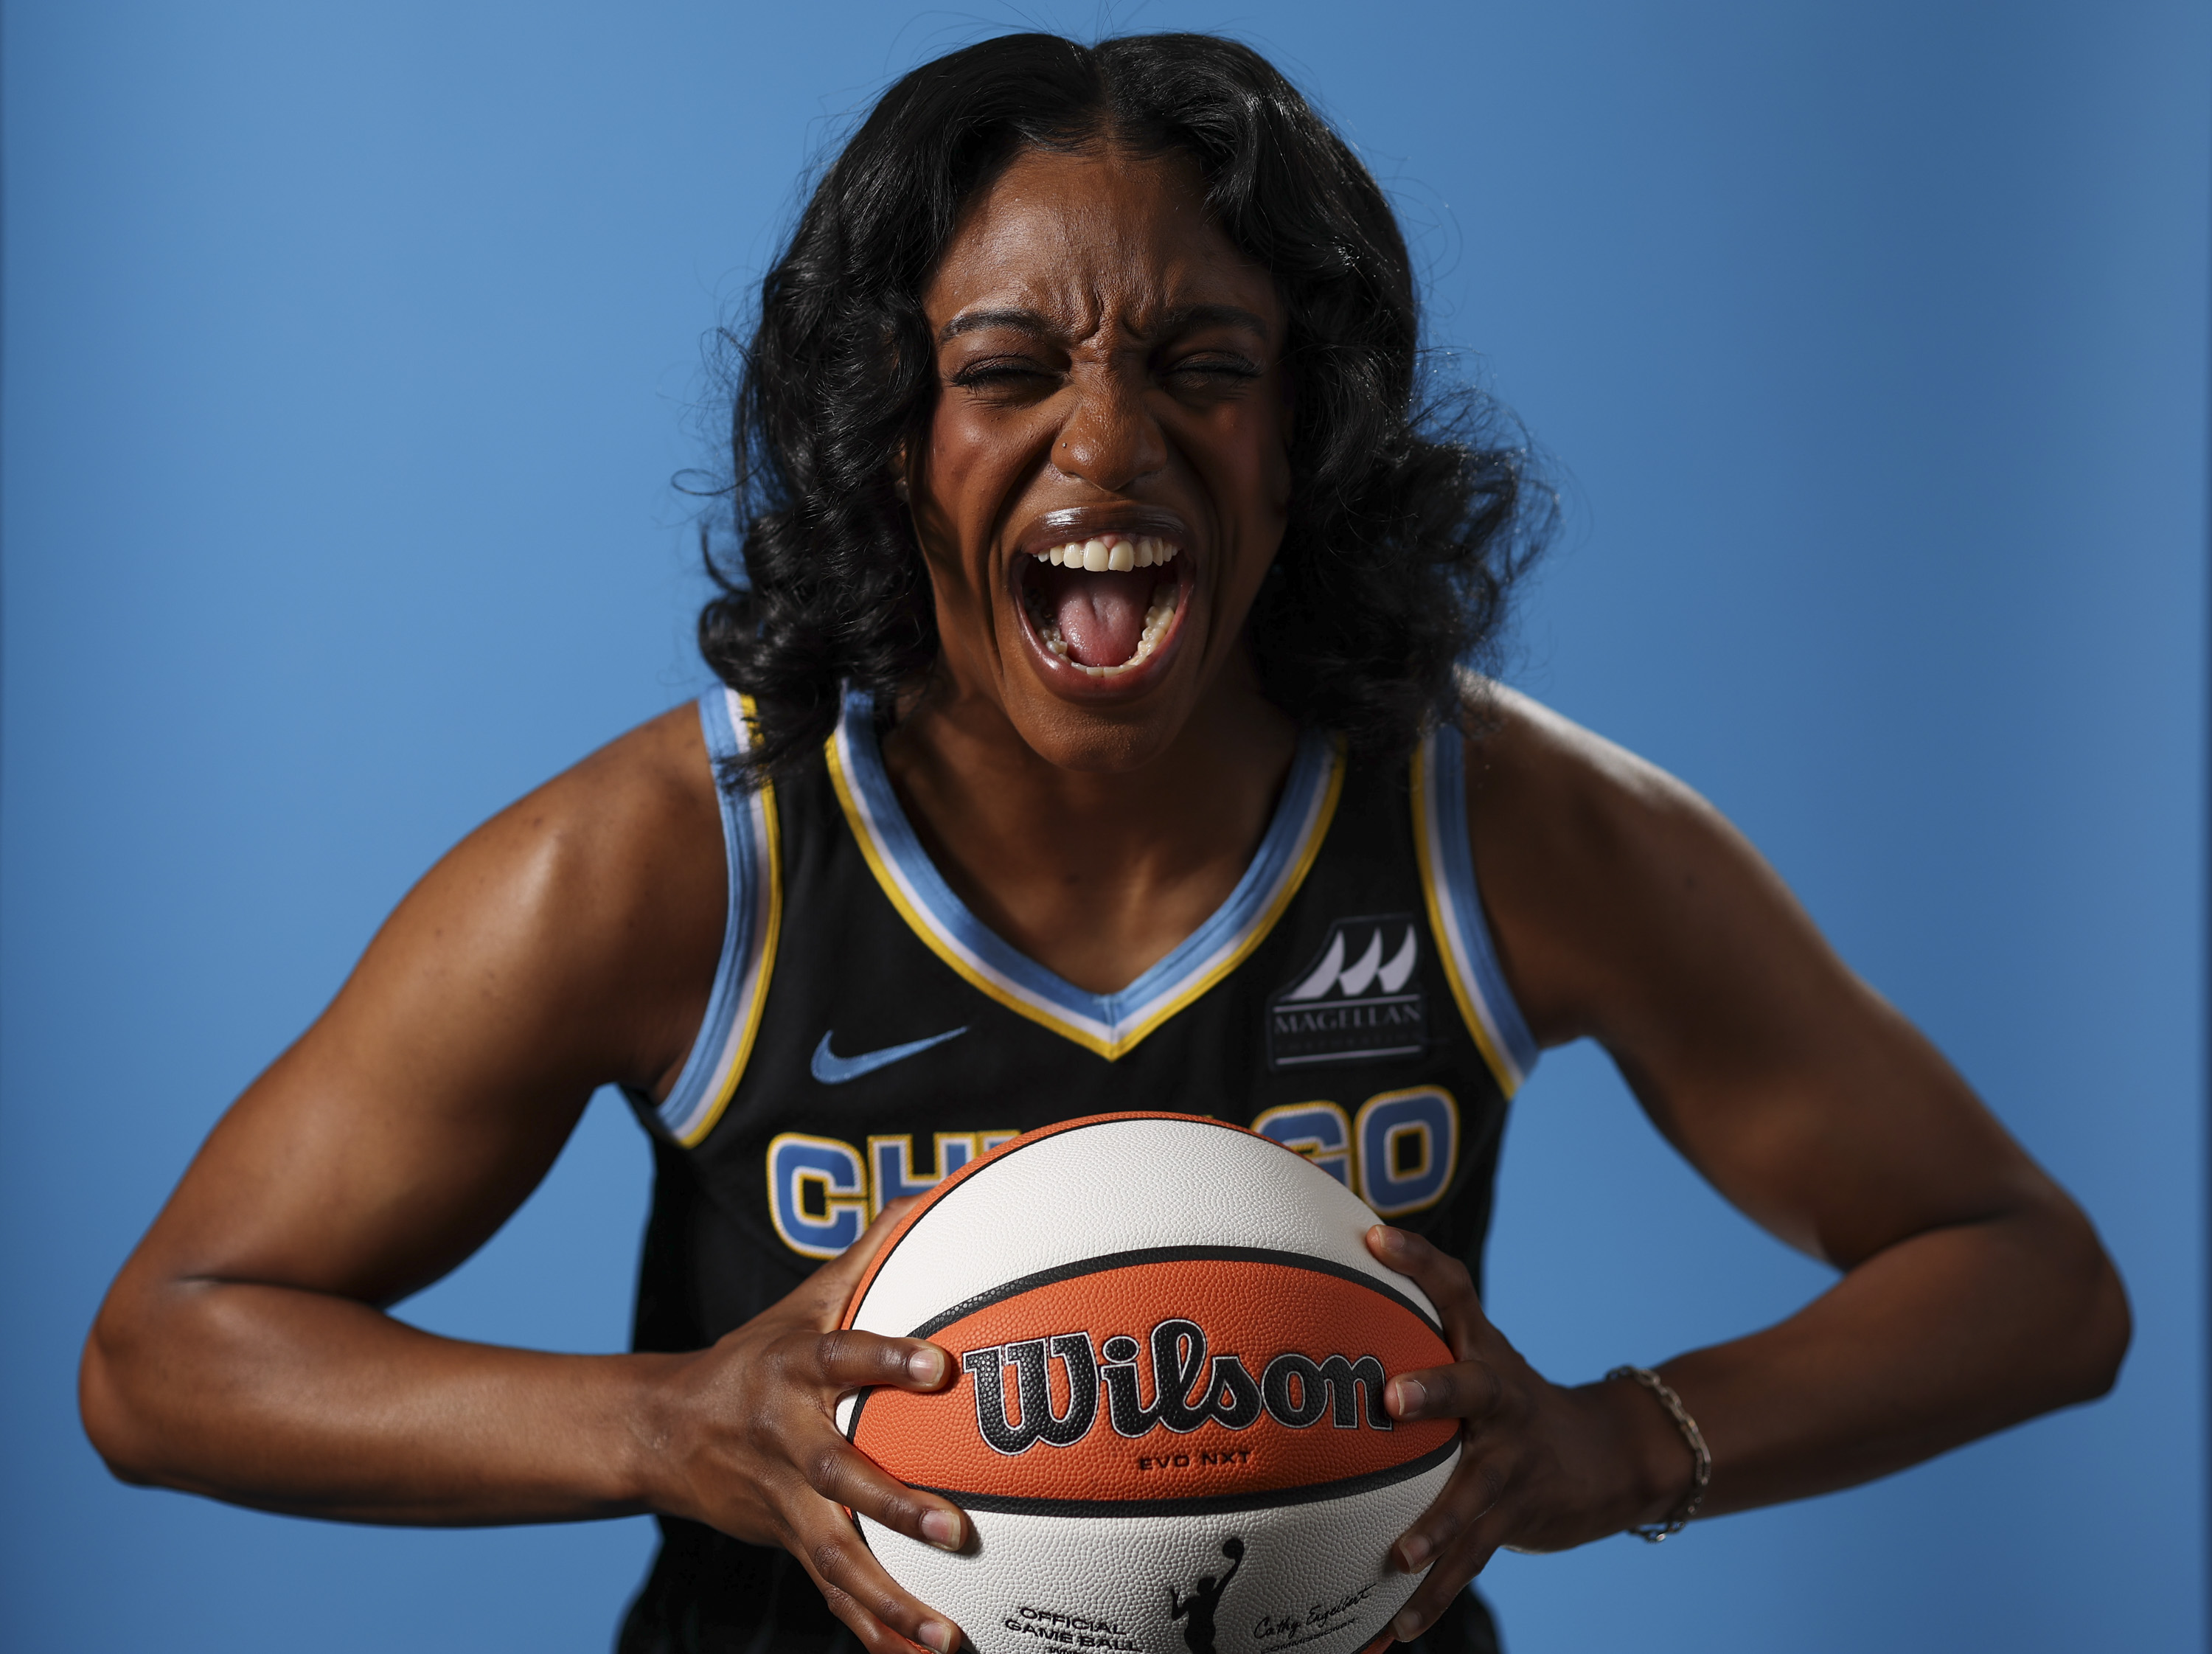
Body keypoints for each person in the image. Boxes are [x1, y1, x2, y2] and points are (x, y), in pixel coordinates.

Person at [79, 30, 2129, 1654]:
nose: (1109, 440)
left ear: (1304, 434)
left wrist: (1619, 1440)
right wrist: (660, 1422)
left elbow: (2034, 1278)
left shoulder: (1494, 822)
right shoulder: (685, 860)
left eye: (1203, 367)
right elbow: (165, 1353)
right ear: (895, 441)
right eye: (1007, 371)